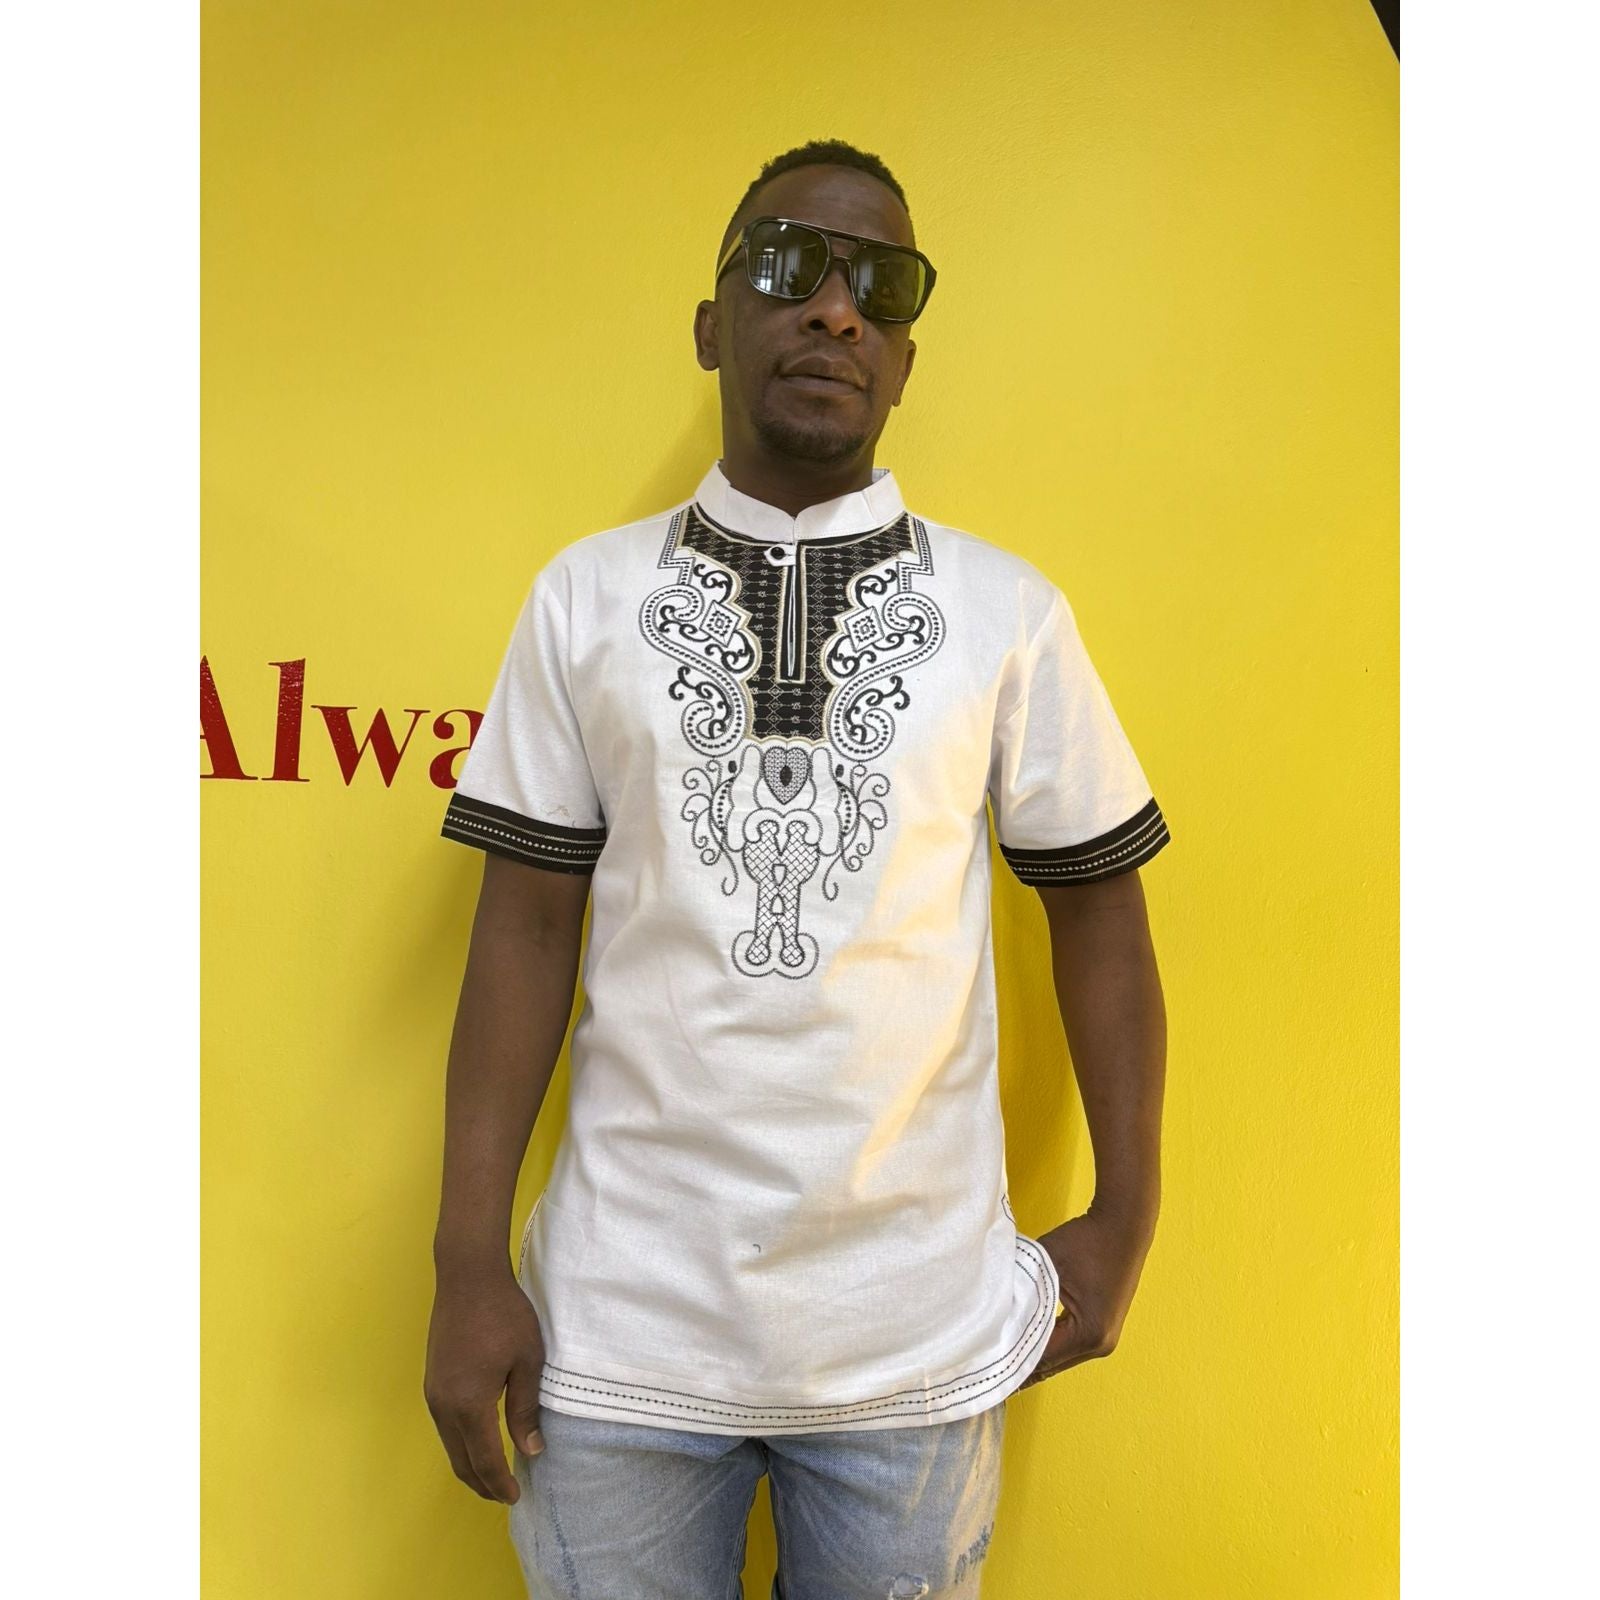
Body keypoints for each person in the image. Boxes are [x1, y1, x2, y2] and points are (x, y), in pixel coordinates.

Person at [423, 137, 1171, 1600]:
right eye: (788, 266)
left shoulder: (1007, 616)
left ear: (905, 361)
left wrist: (1129, 1217)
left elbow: (1101, 912)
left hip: (913, 1341)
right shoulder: (584, 600)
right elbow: (522, 930)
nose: (835, 309)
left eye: (881, 287)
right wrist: (465, 1263)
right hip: (619, 1333)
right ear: (712, 325)